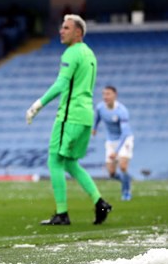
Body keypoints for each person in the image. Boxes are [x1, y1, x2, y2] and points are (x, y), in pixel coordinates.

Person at [26, 14, 112, 226]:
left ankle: (62, 213)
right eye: (61, 27)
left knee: (54, 160)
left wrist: (38, 104)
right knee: (70, 162)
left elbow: (61, 84)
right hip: (85, 115)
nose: (61, 31)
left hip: (70, 115)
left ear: (78, 32)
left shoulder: (72, 52)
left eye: (66, 28)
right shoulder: (89, 53)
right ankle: (99, 201)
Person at [93, 86, 134, 201]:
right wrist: (94, 128)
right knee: (111, 173)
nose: (105, 97)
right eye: (104, 94)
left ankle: (126, 192)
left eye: (108, 94)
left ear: (115, 95)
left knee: (123, 166)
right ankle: (126, 180)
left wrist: (116, 152)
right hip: (111, 141)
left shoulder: (122, 111)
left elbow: (125, 133)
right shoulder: (100, 107)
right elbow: (97, 118)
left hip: (124, 140)